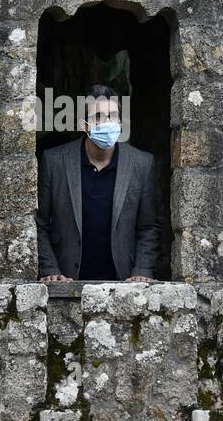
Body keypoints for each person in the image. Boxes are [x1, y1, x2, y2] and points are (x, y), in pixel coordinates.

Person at [35, 84, 160, 282]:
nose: (107, 122)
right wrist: (50, 268)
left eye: (113, 115)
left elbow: (148, 227)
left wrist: (142, 270)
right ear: (84, 125)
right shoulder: (54, 161)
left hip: (123, 281)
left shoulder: (142, 164)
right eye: (99, 116)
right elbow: (39, 223)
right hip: (67, 278)